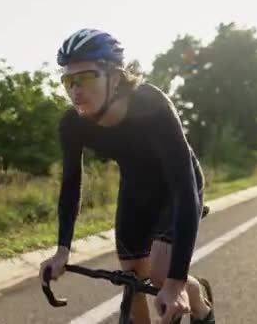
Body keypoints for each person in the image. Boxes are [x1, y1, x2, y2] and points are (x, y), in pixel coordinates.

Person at [38, 28, 215, 324]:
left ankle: (201, 306)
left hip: (177, 187)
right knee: (130, 278)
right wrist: (62, 250)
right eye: (68, 81)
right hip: (136, 188)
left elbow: (185, 192)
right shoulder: (73, 123)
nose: (75, 90)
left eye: (86, 78)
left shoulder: (152, 105)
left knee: (160, 275)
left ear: (116, 77)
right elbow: (71, 186)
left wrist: (175, 283)